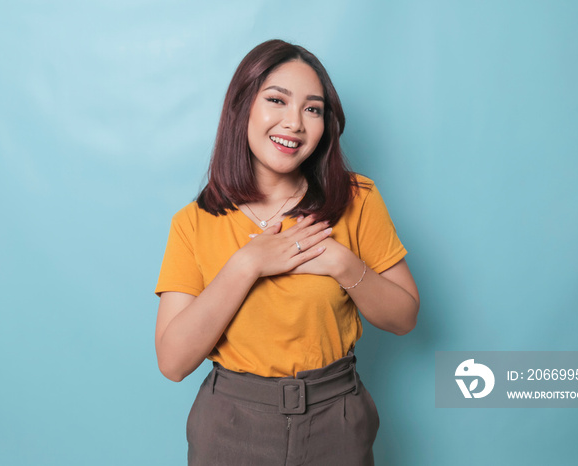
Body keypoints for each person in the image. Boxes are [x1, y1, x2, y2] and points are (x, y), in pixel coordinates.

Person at [154, 39, 419, 466]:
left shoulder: (357, 198)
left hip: (338, 418)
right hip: (231, 425)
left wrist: (341, 263)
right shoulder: (194, 222)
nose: (294, 122)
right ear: (243, 108)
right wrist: (248, 263)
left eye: (312, 109)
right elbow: (173, 361)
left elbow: (405, 317)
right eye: (277, 100)